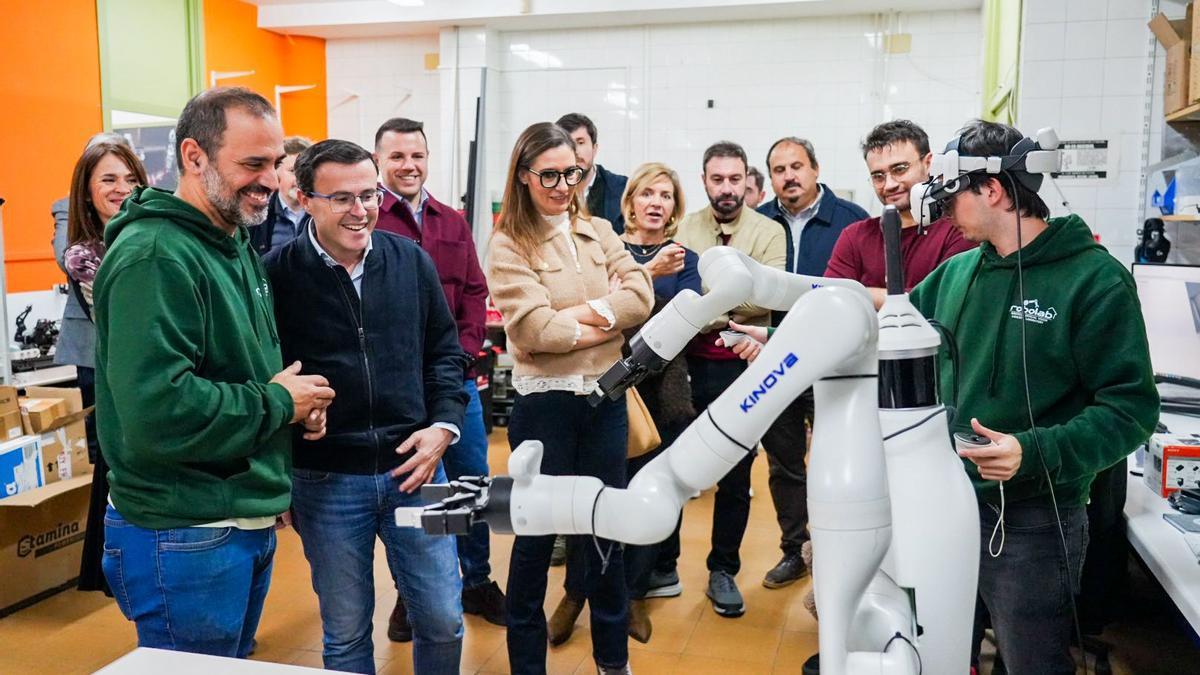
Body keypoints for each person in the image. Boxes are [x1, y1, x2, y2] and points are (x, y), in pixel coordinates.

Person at [907, 120, 1159, 674]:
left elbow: (1131, 410)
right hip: (947, 506)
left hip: (1034, 522)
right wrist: (783, 339)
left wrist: (1033, 451)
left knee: (1032, 662)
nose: (945, 212)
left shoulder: (1094, 280)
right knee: (941, 654)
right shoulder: (956, 274)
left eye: (953, 197)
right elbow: (889, 333)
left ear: (993, 189)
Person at [94, 87, 334, 658]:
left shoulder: (232, 240)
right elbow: (159, 410)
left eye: (275, 163)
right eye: (252, 164)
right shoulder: (156, 256)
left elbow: (239, 367)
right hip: (183, 529)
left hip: (234, 519)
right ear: (194, 156)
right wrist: (278, 404)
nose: (271, 180)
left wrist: (292, 409)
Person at [265, 139, 468, 675]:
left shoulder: (411, 261)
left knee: (445, 619)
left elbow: (445, 355)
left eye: (369, 194)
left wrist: (444, 427)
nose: (361, 210)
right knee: (346, 632)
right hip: (326, 479)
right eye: (342, 199)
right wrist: (290, 437)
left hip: (422, 467)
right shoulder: (275, 275)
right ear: (305, 199)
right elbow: (266, 378)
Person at [487, 122, 652, 675]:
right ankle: (527, 665)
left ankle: (612, 661)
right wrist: (607, 321)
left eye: (572, 174)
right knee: (534, 538)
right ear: (523, 176)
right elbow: (533, 331)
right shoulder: (508, 243)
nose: (563, 186)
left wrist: (574, 323)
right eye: (550, 176)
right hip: (546, 410)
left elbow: (640, 297)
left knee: (605, 532)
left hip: (605, 403)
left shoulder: (599, 230)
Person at [548, 162, 699, 646]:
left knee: (650, 494)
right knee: (591, 493)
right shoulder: (603, 246)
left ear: (675, 207)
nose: (656, 202)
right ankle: (575, 593)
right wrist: (642, 285)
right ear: (630, 201)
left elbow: (683, 318)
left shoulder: (687, 258)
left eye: (666, 195)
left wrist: (628, 300)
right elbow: (593, 306)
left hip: (661, 391)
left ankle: (633, 594)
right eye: (647, 193)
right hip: (604, 382)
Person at [370, 117, 503, 636]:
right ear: (378, 161)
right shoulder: (369, 219)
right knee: (416, 487)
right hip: (399, 388)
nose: (409, 165)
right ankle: (414, 593)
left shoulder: (451, 221)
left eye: (417, 156)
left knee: (470, 482)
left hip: (454, 379)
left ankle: (477, 581)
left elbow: (474, 290)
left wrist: (463, 353)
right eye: (397, 156)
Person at [672, 141, 786, 616]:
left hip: (742, 363)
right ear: (704, 180)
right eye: (717, 179)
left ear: (747, 180)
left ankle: (723, 570)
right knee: (674, 465)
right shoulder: (683, 227)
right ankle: (661, 565)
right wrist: (734, 299)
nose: (726, 188)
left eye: (734, 179)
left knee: (737, 474)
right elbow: (677, 293)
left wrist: (706, 304)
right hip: (684, 366)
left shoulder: (770, 231)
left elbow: (769, 296)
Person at [752, 137, 869, 590]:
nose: (789, 176)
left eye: (797, 166)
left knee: (838, 462)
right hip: (776, 359)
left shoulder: (851, 221)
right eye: (779, 169)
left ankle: (839, 552)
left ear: (816, 168)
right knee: (784, 464)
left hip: (834, 362)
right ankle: (794, 551)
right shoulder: (760, 222)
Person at [53, 133, 148, 596]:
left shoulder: (153, 233)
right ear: (87, 191)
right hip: (123, 380)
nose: (121, 188)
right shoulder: (85, 255)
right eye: (108, 179)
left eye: (130, 178)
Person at [825, 120, 975, 308]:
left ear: (928, 163)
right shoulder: (855, 236)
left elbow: (944, 301)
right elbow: (831, 299)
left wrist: (859, 293)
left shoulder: (959, 228)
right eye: (878, 176)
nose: (889, 185)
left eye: (900, 169)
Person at [557, 113, 629, 233]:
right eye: (567, 144)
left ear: (594, 148)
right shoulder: (549, 189)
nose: (575, 151)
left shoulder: (623, 188)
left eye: (580, 143)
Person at [249, 135, 312, 255]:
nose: (300, 179)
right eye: (292, 171)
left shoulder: (323, 214)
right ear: (276, 172)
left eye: (305, 171)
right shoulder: (256, 214)